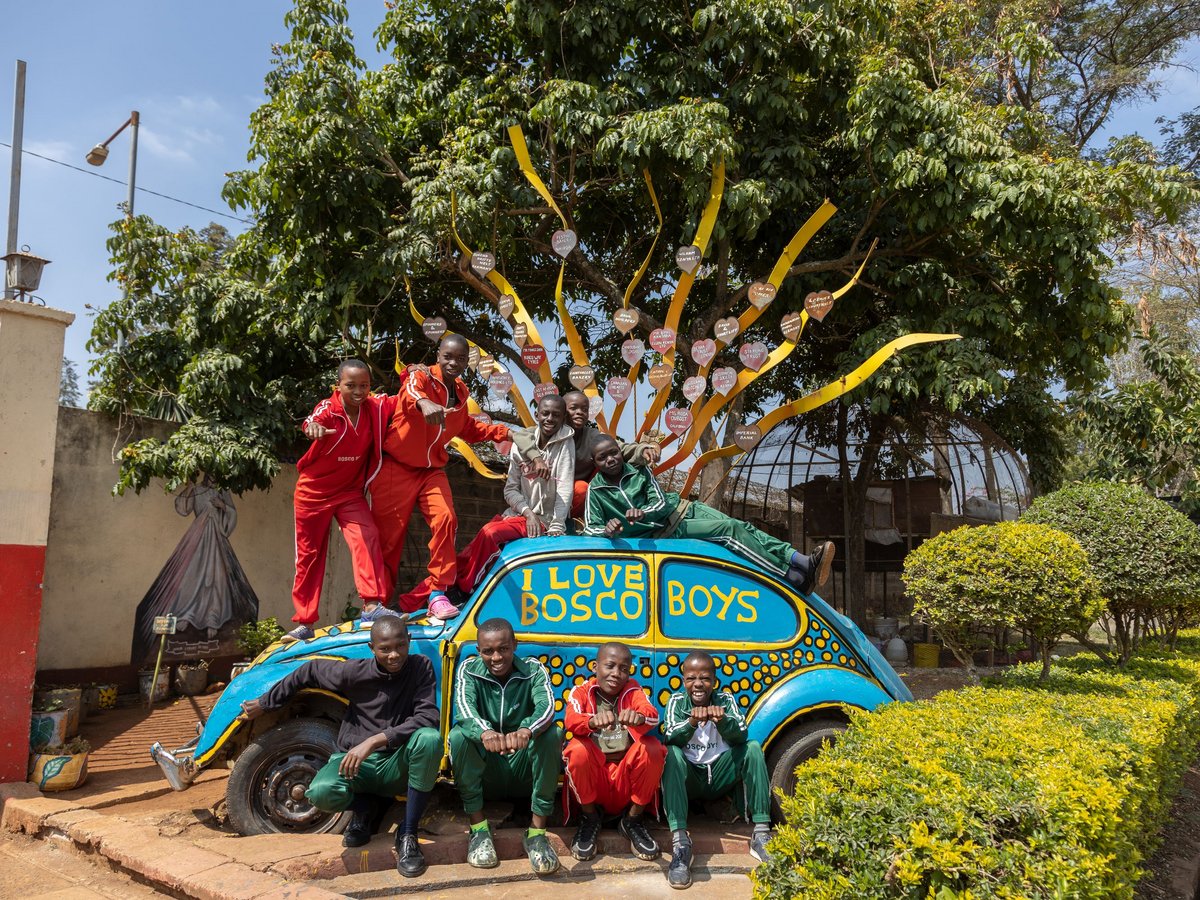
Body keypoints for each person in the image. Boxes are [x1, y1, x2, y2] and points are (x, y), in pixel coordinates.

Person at [239, 616, 439, 877]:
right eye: (385, 649)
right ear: (372, 648)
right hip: (358, 766)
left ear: (409, 641)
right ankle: (365, 809)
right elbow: (306, 671)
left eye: (400, 646)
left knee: (429, 738)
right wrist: (267, 703)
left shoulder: (420, 666)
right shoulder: (354, 673)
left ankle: (408, 833)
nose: (394, 655)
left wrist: (373, 740)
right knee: (321, 792)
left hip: (396, 764)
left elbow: (427, 717)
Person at [372, 334, 534, 620]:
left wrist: (508, 433)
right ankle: (375, 604)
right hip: (397, 467)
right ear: (438, 356)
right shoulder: (421, 378)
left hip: (431, 470)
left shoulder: (460, 393)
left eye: (460, 359)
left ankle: (438, 593)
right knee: (388, 539)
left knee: (446, 518)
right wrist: (424, 403)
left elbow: (468, 428)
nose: (453, 363)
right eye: (448, 356)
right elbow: (410, 392)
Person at [583, 436, 835, 593]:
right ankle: (789, 577)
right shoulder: (596, 490)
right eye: (602, 458)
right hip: (669, 530)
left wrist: (643, 511)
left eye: (614, 452)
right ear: (596, 463)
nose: (611, 460)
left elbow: (658, 502)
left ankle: (800, 560)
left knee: (741, 526)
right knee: (729, 532)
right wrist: (609, 529)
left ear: (621, 450)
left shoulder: (638, 470)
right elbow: (590, 527)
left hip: (681, 509)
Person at [398, 394, 575, 612]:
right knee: (465, 557)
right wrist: (527, 512)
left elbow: (565, 487)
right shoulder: (522, 443)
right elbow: (510, 489)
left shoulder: (566, 443)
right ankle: (410, 602)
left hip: (545, 520)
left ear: (563, 418)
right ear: (536, 415)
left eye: (556, 415)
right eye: (545, 413)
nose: (550, 418)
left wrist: (556, 524)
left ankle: (465, 590)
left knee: (491, 532)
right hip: (520, 514)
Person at [288, 359, 392, 642]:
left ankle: (371, 606)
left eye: (364, 386)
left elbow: (402, 399)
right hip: (313, 494)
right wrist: (313, 429)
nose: (358, 391)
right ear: (339, 386)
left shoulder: (375, 408)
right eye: (351, 386)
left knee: (366, 535)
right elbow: (312, 421)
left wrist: (414, 373)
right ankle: (305, 621)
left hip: (348, 493)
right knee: (309, 557)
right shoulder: (329, 408)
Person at [448, 618, 562, 874]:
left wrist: (526, 730)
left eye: (503, 649)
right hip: (489, 768)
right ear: (479, 650)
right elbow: (464, 709)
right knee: (458, 736)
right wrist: (485, 732)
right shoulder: (469, 669)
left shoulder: (533, 669)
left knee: (552, 733)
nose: (496, 657)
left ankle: (536, 832)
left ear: (515, 645)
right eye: (488, 651)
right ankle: (478, 830)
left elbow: (547, 707)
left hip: (522, 767)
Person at [660, 651, 773, 889]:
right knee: (671, 754)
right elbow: (669, 735)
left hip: (720, 774)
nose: (698, 684)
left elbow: (741, 734)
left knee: (752, 748)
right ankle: (681, 845)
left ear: (714, 681)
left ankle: (761, 833)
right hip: (692, 778)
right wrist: (691, 722)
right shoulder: (676, 701)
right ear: (683, 679)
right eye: (691, 678)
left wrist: (723, 721)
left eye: (705, 678)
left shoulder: (725, 700)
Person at [562, 641, 665, 862]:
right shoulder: (581, 691)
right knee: (576, 750)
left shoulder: (634, 691)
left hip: (624, 781)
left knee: (653, 748)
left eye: (624, 669)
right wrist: (591, 721)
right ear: (595, 667)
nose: (616, 674)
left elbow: (653, 715)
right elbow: (570, 719)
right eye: (610, 666)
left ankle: (633, 821)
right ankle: (589, 819)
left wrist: (639, 718)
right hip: (595, 783)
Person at [524, 391, 659, 518]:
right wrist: (537, 458)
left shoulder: (591, 436)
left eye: (584, 409)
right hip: (545, 493)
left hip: (576, 496)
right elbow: (520, 436)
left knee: (593, 476)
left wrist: (643, 450)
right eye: (573, 408)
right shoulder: (548, 431)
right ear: (563, 413)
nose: (580, 413)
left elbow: (619, 448)